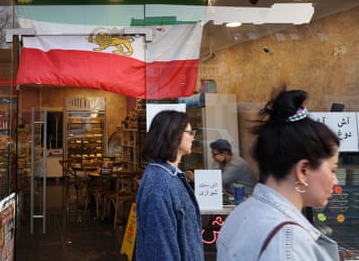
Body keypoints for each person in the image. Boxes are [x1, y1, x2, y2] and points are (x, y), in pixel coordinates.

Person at [216, 89, 340, 261]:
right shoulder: (288, 241)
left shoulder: (241, 214)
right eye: (333, 170)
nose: (336, 180)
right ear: (303, 170)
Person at [136, 110, 204, 261]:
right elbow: (161, 250)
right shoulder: (158, 186)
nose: (193, 137)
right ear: (174, 135)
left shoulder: (168, 176)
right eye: (189, 132)